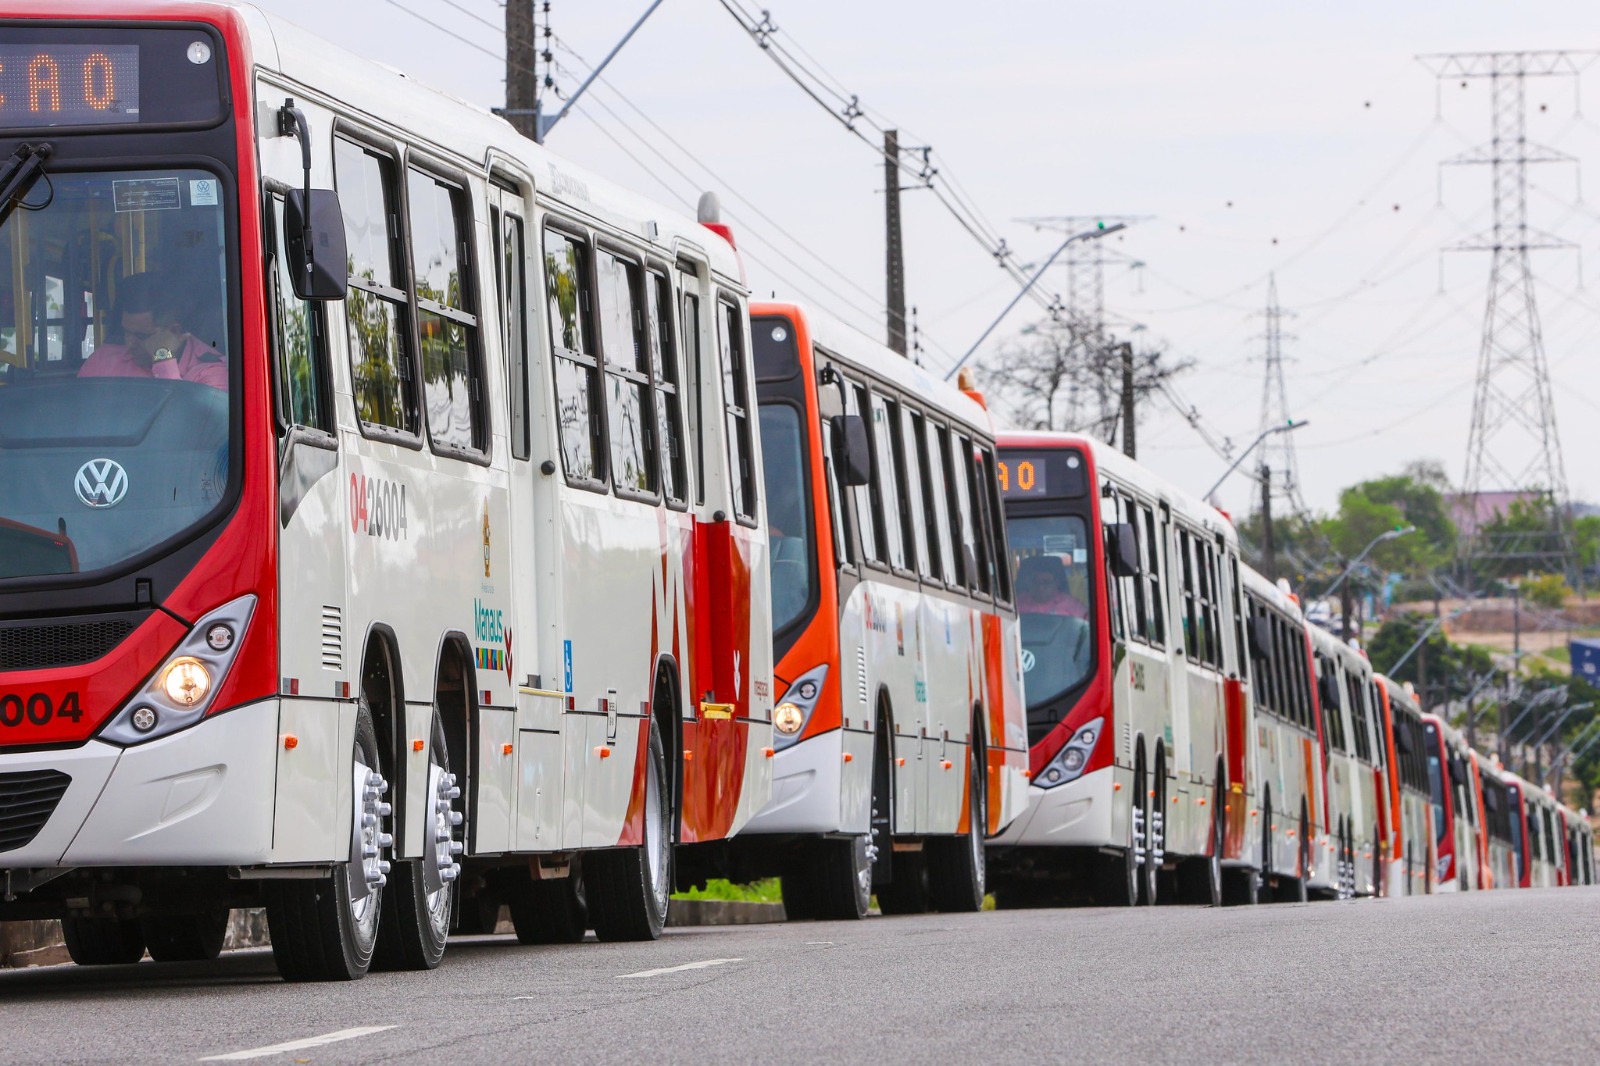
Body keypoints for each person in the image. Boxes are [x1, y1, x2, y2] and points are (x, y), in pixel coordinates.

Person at [77, 272, 226, 390]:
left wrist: (163, 358)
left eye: (141, 335)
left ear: (174, 331)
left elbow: (179, 419)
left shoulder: (212, 373)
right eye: (126, 332)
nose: (130, 344)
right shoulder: (104, 360)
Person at [1016, 554, 1087, 618]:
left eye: (1046, 582)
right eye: (1035, 581)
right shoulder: (1016, 604)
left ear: (1056, 583)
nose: (1040, 587)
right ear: (1028, 583)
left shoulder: (1071, 605)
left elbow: (1086, 625)